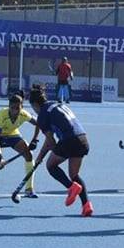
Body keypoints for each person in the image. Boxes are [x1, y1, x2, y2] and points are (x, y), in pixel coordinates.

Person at [29, 84, 93, 217]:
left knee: (51, 165)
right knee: (74, 175)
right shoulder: (57, 104)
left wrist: (40, 157)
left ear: (35, 104)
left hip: (69, 141)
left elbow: (50, 142)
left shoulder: (42, 115)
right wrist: (53, 150)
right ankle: (86, 205)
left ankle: (71, 187)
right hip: (83, 140)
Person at [0, 91, 40, 195]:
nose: (15, 111)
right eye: (12, 108)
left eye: (18, 108)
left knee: (29, 155)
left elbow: (39, 123)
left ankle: (29, 188)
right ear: (9, 106)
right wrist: (0, 158)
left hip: (12, 134)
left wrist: (35, 139)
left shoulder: (24, 114)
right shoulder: (1, 115)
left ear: (22, 106)